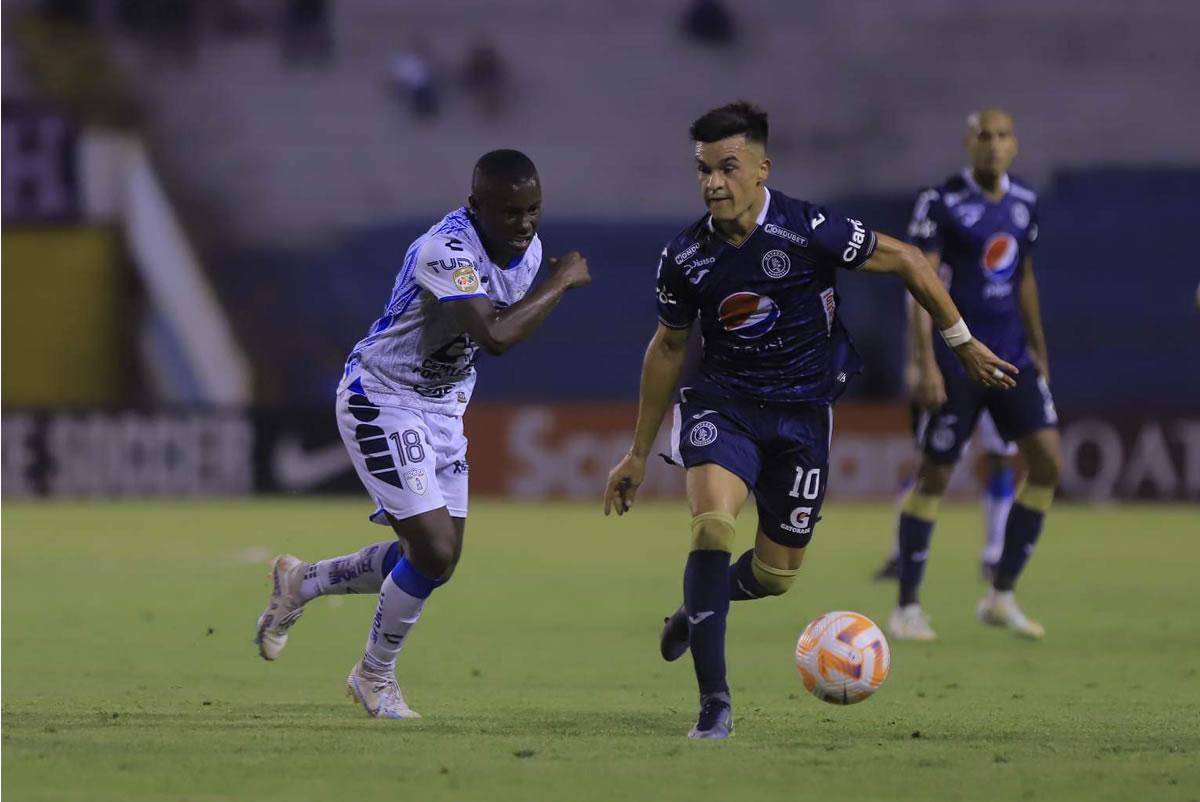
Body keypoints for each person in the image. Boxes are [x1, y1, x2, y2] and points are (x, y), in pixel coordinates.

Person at [603, 101, 1015, 739]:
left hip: (803, 416)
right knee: (712, 527)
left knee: (774, 576)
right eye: (703, 170)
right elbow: (668, 348)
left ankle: (695, 608)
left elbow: (909, 258)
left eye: (728, 167)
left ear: (762, 168)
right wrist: (637, 453)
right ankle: (715, 705)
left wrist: (960, 342)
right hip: (725, 406)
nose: (714, 182)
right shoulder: (685, 257)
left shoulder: (809, 228)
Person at [255, 149, 590, 719]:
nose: (526, 224)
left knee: (438, 558)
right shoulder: (447, 250)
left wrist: (547, 278)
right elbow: (495, 336)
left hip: (441, 410)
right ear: (475, 207)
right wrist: (560, 281)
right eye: (510, 213)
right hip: (382, 396)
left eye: (533, 210)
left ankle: (301, 582)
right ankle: (373, 676)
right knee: (432, 550)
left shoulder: (527, 250)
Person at [885, 109, 1059, 642]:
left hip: (1010, 358)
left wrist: (1038, 349)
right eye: (985, 136)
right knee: (935, 475)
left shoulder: (1026, 202)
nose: (994, 145)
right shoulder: (940, 203)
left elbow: (1023, 277)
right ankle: (907, 606)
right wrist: (924, 360)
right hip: (957, 359)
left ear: (1016, 144)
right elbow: (919, 283)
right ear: (968, 143)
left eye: (1004, 135)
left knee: (1048, 464)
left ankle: (1000, 594)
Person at [870, 293, 1018, 583]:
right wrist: (917, 364)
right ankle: (901, 553)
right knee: (927, 463)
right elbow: (917, 309)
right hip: (947, 372)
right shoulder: (930, 258)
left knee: (1001, 456)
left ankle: (995, 555)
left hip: (998, 362)